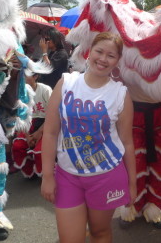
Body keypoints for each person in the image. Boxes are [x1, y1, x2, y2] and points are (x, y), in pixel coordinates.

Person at [41, 32, 136, 243]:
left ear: (117, 60)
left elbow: (127, 143)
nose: (103, 59)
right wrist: (48, 175)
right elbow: (50, 133)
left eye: (111, 55)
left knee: (99, 233)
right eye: (99, 51)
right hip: (67, 175)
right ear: (89, 51)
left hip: (107, 175)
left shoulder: (121, 94)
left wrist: (132, 182)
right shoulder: (66, 83)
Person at [11, 71, 52, 178]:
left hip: (46, 124)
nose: (23, 78)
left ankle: (46, 175)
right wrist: (27, 136)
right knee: (18, 145)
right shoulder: (20, 92)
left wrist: (39, 132)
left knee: (40, 151)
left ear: (36, 76)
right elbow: (21, 117)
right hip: (29, 125)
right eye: (22, 76)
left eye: (26, 75)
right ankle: (30, 172)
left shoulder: (45, 90)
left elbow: (53, 115)